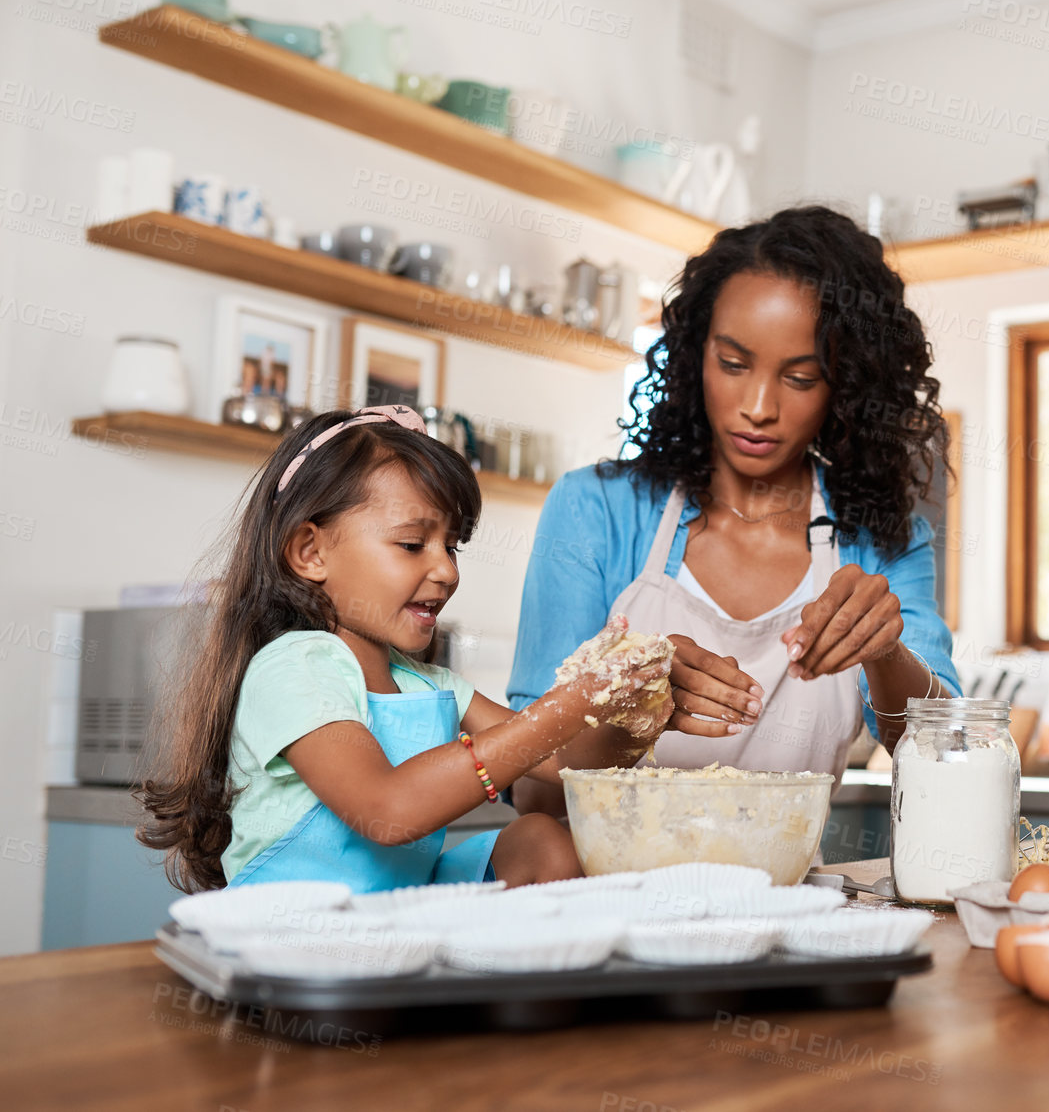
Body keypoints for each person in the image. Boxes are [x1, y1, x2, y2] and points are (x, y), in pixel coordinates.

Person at [507, 205, 960, 802]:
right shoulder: (596, 510)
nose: (758, 406)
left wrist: (887, 652)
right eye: (733, 363)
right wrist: (635, 698)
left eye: (800, 378)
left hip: (781, 889)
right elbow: (530, 787)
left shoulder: (880, 537)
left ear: (846, 387)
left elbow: (948, 753)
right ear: (696, 357)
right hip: (608, 885)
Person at [137, 405, 671, 894]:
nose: (446, 570)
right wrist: (571, 704)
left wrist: (643, 706)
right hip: (296, 930)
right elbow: (388, 812)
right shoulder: (294, 667)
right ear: (310, 551)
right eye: (413, 545)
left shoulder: (431, 685)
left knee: (542, 838)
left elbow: (562, 762)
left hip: (399, 913)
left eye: (452, 546)